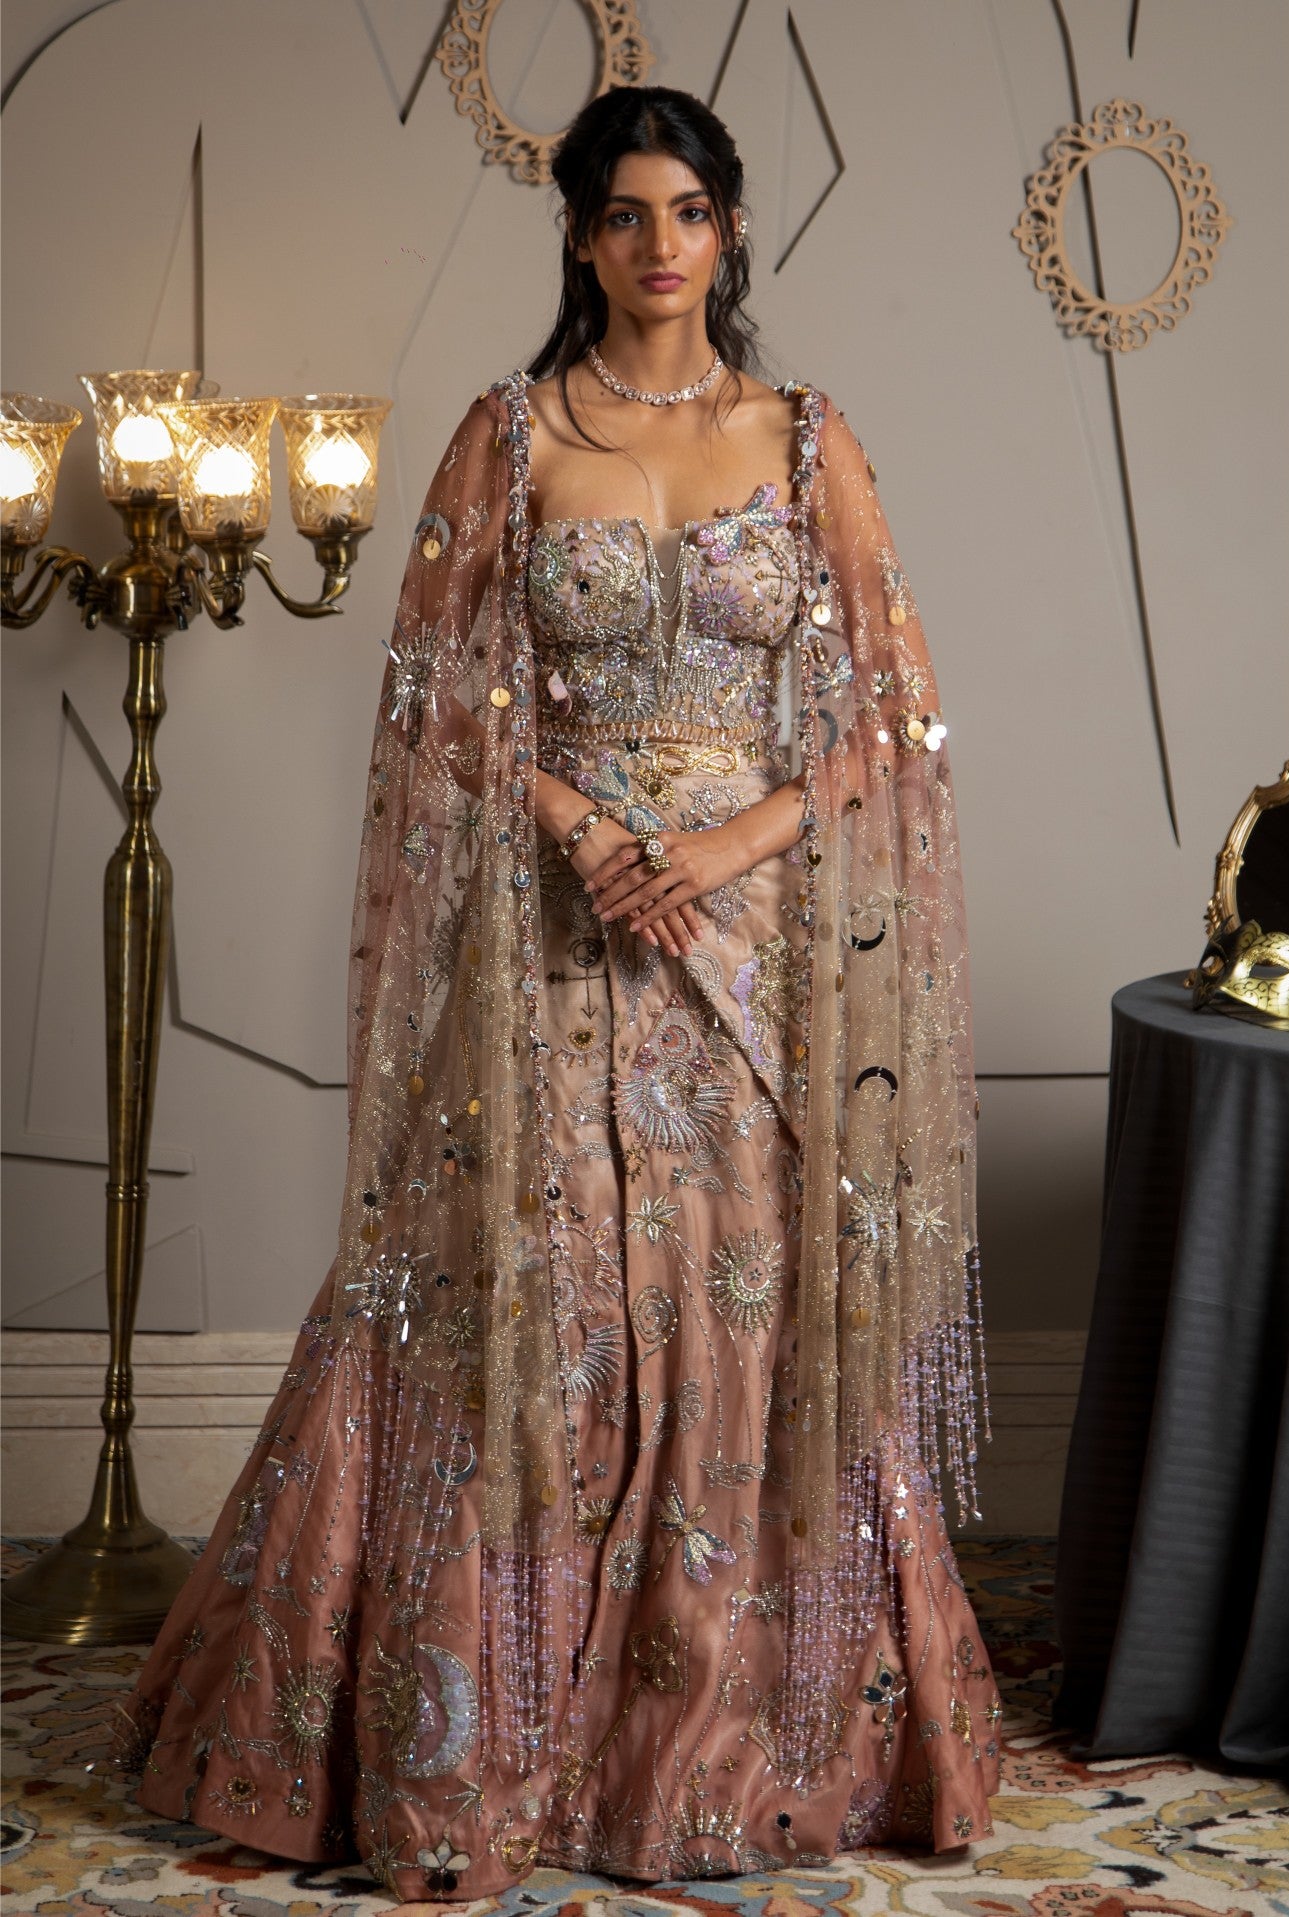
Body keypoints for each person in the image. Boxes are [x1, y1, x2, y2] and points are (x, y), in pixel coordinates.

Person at [113, 84, 1001, 1901]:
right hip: (551, 948)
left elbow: (886, 724)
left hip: (747, 967)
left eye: (686, 211)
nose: (656, 244)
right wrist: (591, 831)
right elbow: (437, 710)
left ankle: (725, 1738)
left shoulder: (804, 436)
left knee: (746, 1316)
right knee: (531, 1316)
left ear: (729, 230)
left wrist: (723, 845)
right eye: (621, 216)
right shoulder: (508, 440)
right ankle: (479, 1735)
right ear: (579, 240)